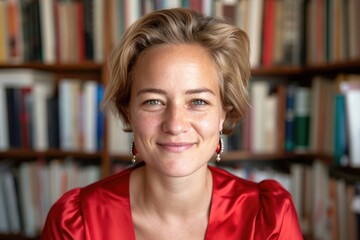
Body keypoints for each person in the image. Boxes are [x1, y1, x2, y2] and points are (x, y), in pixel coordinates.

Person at [42, 8, 303, 240]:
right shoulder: (76, 224)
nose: (175, 125)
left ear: (224, 112)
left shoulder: (268, 218)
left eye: (198, 102)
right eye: (154, 101)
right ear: (128, 112)